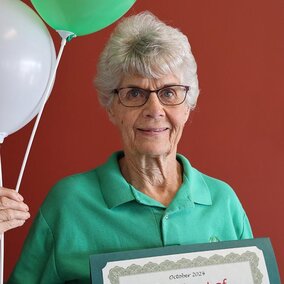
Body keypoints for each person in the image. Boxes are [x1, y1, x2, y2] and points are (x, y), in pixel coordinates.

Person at [5, 11, 252, 283]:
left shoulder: (223, 202)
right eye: (135, 93)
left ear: (188, 105)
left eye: (169, 93)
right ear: (111, 107)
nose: (154, 110)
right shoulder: (67, 204)